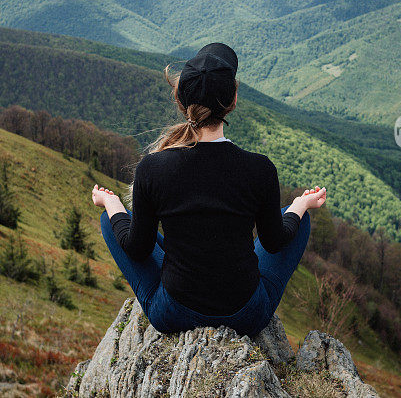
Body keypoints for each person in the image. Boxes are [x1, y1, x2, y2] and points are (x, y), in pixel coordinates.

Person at [91, 42, 327, 336]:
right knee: (294, 218)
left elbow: (137, 248)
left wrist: (111, 204)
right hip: (245, 316)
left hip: (174, 314)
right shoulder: (260, 169)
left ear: (180, 99)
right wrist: (300, 205)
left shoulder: (153, 168)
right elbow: (274, 242)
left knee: (111, 221)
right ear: (233, 100)